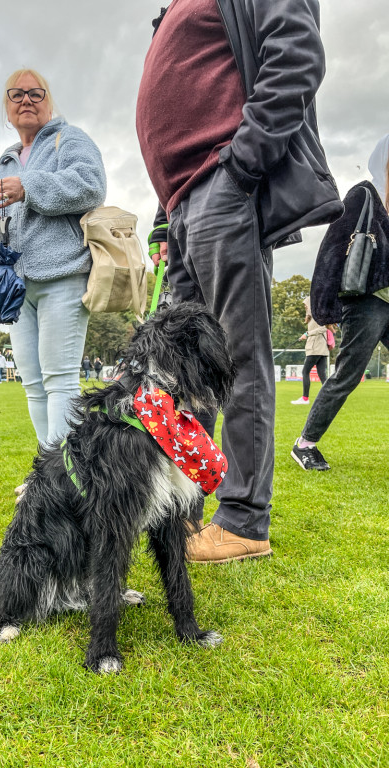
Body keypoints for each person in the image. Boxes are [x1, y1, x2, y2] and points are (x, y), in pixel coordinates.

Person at [136, 0, 342, 563]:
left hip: (219, 185)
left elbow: (296, 54)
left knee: (237, 357)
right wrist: (165, 216)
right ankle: (182, 513)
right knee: (183, 371)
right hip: (183, 203)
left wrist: (241, 166)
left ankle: (244, 520)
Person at [0, 68, 106, 444]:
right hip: (15, 284)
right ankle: (50, 473)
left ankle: (61, 478)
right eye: (16, 95)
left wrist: (28, 186)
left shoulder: (70, 138)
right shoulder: (7, 159)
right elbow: (1, 220)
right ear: (7, 108)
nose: (26, 100)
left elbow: (92, 186)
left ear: (49, 101)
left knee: (60, 378)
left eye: (35, 93)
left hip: (63, 274)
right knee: (32, 382)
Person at [291, 137, 389, 471]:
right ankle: (305, 443)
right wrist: (324, 308)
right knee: (348, 374)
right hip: (367, 302)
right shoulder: (364, 195)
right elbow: (332, 248)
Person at [290, 297, 333, 405]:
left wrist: (307, 334)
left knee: (305, 371)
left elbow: (324, 328)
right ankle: (328, 398)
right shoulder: (313, 316)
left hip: (316, 348)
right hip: (320, 348)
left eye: (305, 305)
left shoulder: (317, 315)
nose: (305, 307)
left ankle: (305, 398)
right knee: (322, 375)